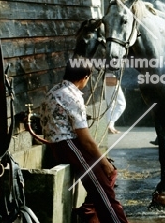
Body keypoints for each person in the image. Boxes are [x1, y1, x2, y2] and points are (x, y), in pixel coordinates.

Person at [39, 62, 128, 223]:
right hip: (69, 145)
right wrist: (104, 162)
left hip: (60, 145)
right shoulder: (72, 96)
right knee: (104, 192)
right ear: (85, 77)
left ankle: (89, 212)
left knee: (109, 173)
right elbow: (86, 140)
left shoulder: (53, 91)